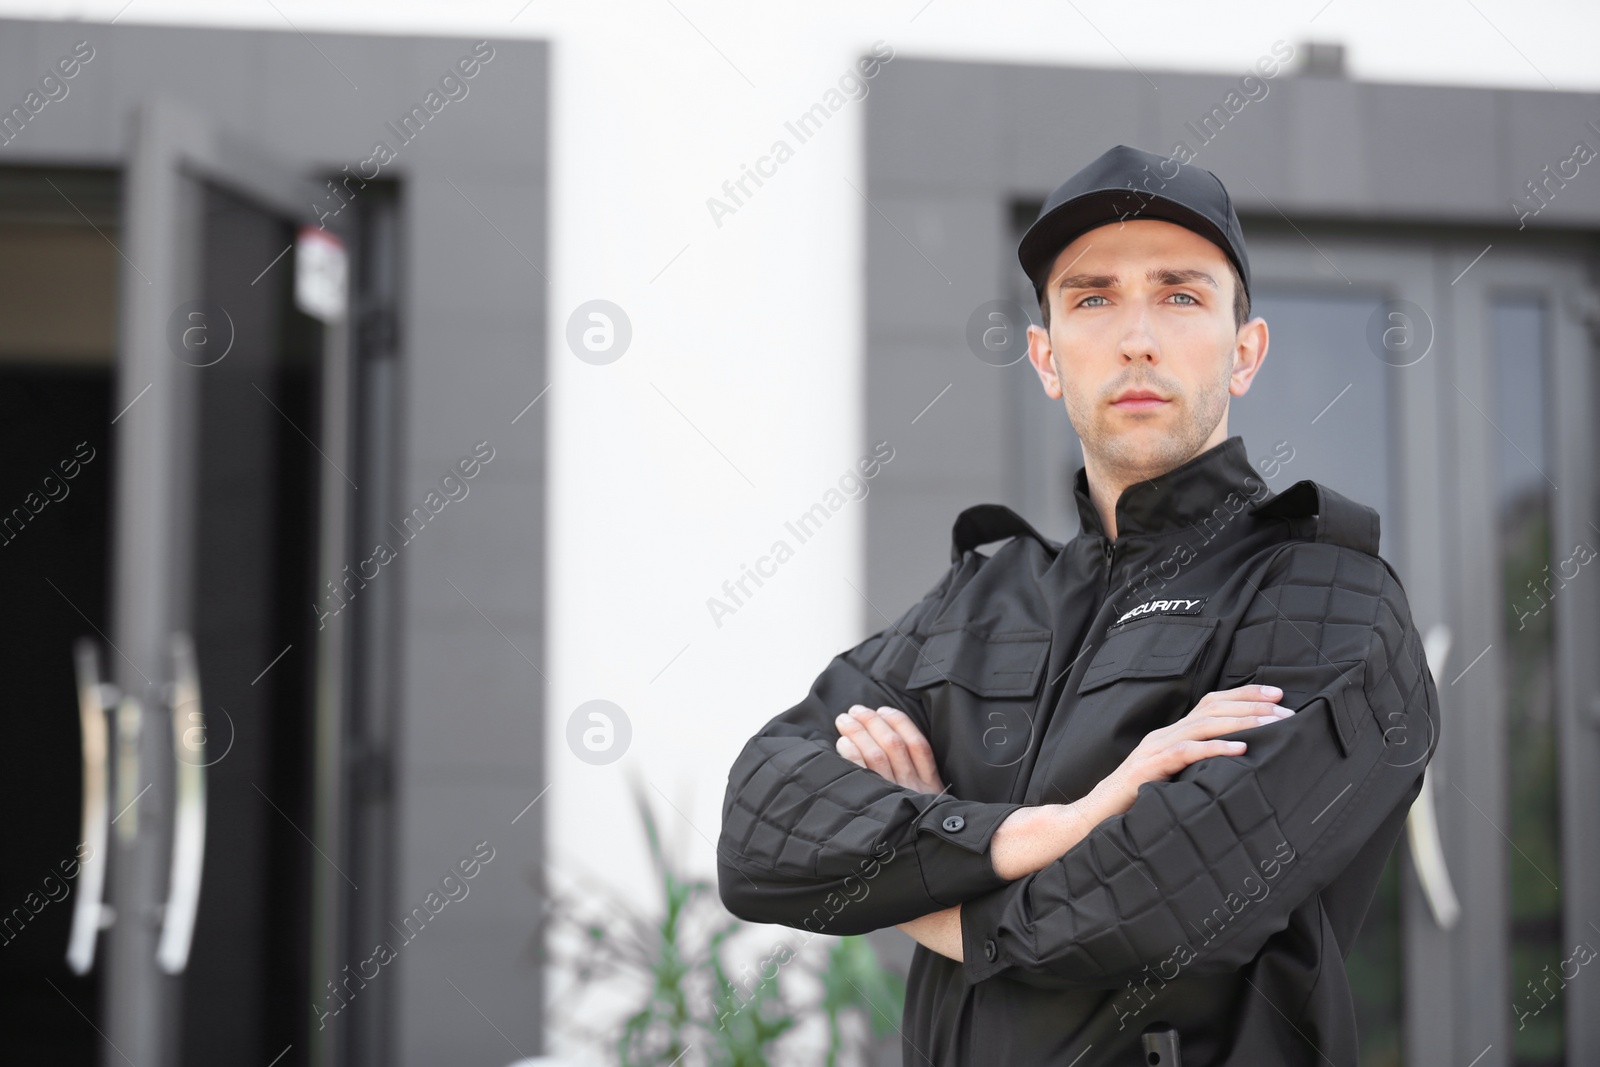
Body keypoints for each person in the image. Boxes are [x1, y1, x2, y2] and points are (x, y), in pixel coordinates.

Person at [716, 144, 1439, 1065]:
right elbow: (761, 832)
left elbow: (1143, 910)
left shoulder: (1327, 597)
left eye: (1180, 295)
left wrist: (912, 884)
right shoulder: (976, 601)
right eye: (1092, 298)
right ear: (1047, 357)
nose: (1136, 335)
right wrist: (1046, 828)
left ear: (1244, 350)